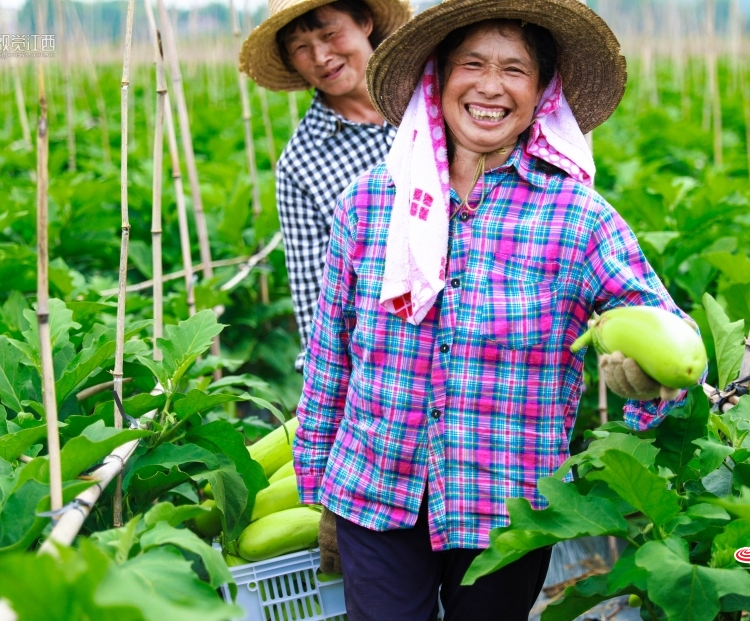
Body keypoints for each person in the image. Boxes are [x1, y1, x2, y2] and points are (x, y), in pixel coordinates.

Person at [295, 0, 699, 618]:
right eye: (472, 64)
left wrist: (645, 379)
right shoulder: (370, 203)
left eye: (514, 70)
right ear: (438, 78)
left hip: (507, 506)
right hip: (374, 488)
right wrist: (319, 489)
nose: (490, 87)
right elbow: (329, 356)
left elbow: (669, 333)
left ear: (542, 93)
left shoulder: (576, 218)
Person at [240, 0, 412, 373]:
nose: (321, 57)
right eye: (300, 47)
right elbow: (316, 300)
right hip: (391, 360)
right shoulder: (300, 164)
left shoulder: (429, 98)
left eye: (330, 33)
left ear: (365, 22)